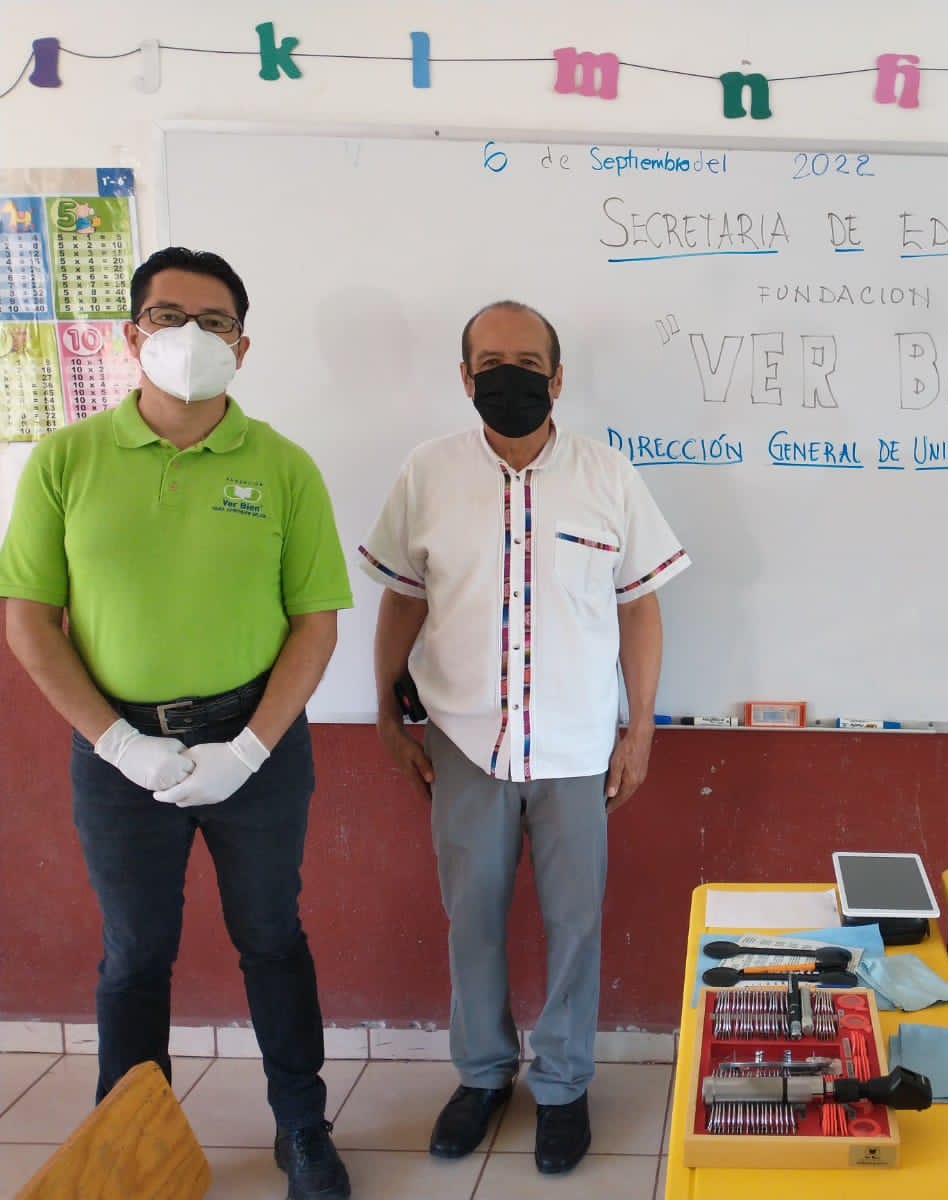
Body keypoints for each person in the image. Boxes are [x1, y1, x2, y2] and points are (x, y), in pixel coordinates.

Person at [0, 247, 354, 1200]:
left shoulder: (283, 466)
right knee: (135, 952)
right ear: (132, 333)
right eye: (168, 317)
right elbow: (28, 622)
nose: (191, 337)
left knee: (272, 936)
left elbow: (316, 625)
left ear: (244, 344)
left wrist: (250, 748)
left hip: (256, 743)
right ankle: (128, 1147)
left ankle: (302, 1127)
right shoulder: (66, 460)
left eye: (215, 322)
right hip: (115, 746)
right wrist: (117, 742)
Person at [359, 300, 689, 1175]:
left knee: (574, 923)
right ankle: (482, 1077)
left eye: (530, 363)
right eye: (492, 364)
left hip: (577, 745)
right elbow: (402, 598)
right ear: (466, 378)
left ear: (559, 377)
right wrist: (387, 712)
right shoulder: (428, 474)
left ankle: (564, 1086)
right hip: (465, 740)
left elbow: (639, 607)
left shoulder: (607, 475)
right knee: (472, 918)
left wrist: (641, 727)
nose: (511, 377)